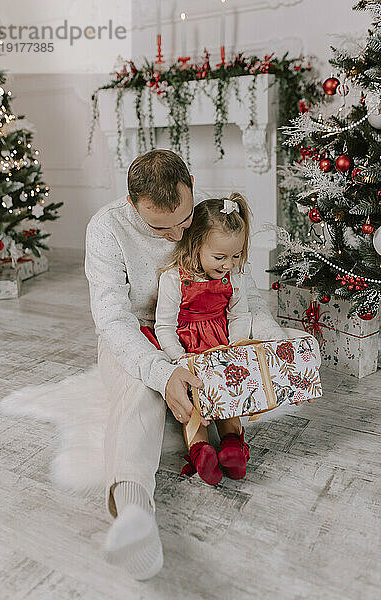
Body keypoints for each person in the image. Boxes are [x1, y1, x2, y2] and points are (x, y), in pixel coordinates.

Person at [84, 149, 285, 581]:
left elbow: (242, 289)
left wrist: (270, 338)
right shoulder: (106, 229)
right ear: (133, 203)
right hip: (138, 331)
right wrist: (164, 370)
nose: (179, 233)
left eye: (184, 218)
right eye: (161, 226)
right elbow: (113, 321)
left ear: (191, 187)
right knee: (142, 393)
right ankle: (133, 507)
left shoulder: (204, 215)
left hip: (203, 329)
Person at [154, 193, 255, 486]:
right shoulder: (175, 278)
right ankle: (201, 453)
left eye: (235, 256)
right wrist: (178, 359)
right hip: (188, 353)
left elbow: (239, 315)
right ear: (196, 245)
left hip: (220, 348)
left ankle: (233, 447)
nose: (228, 264)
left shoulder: (233, 278)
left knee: (228, 399)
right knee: (193, 406)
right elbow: (164, 325)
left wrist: (234, 346)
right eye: (220, 257)